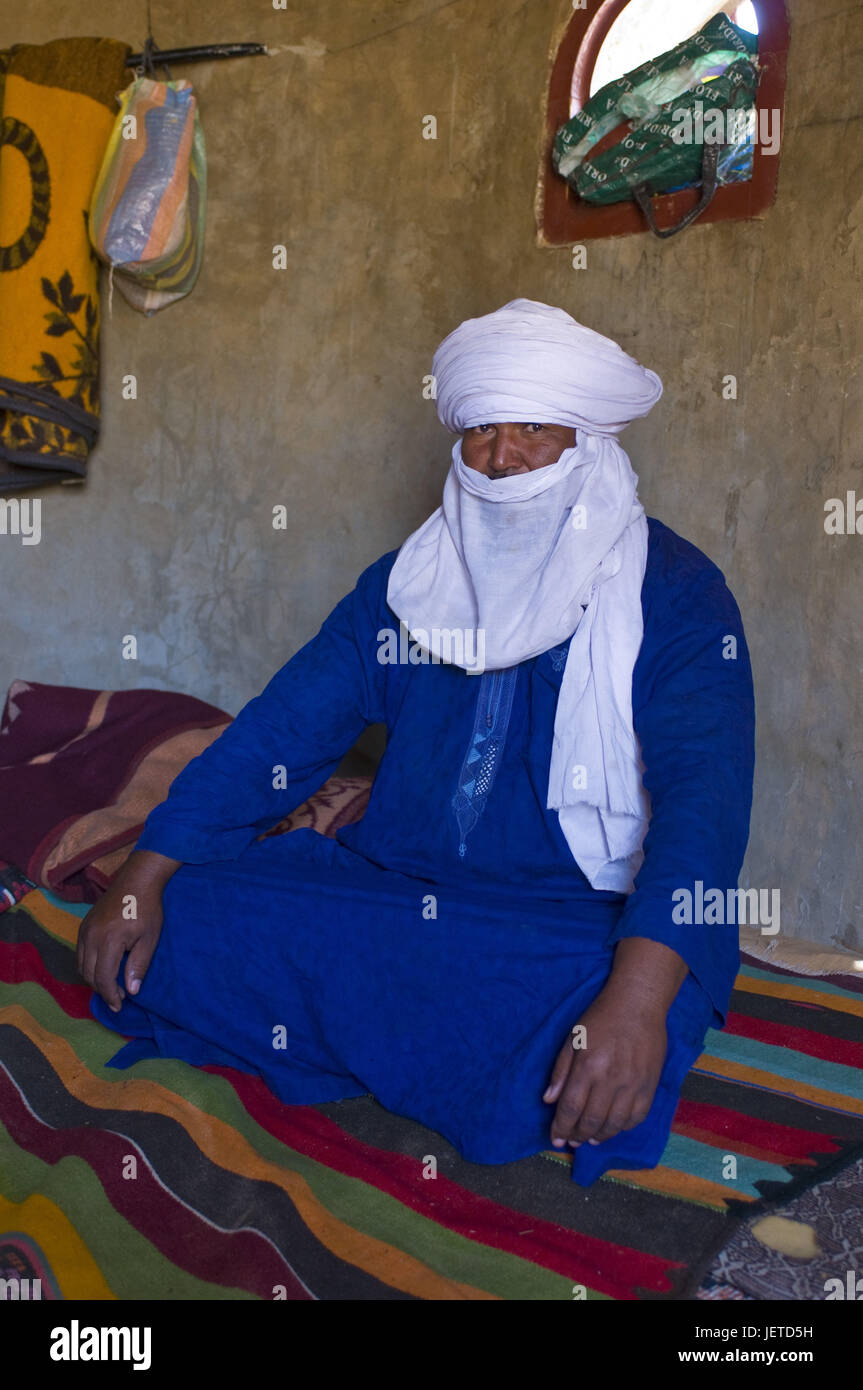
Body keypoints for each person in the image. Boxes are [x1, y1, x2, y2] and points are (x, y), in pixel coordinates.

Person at [77, 299, 755, 1186]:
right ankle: (424, 1049)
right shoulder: (406, 585)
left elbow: (702, 813)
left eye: (532, 430)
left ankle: (519, 1034)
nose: (500, 456)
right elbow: (282, 733)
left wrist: (633, 999)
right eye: (478, 430)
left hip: (568, 920)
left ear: (588, 444)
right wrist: (143, 876)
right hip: (391, 887)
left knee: (587, 1012)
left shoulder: (677, 596)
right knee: (191, 911)